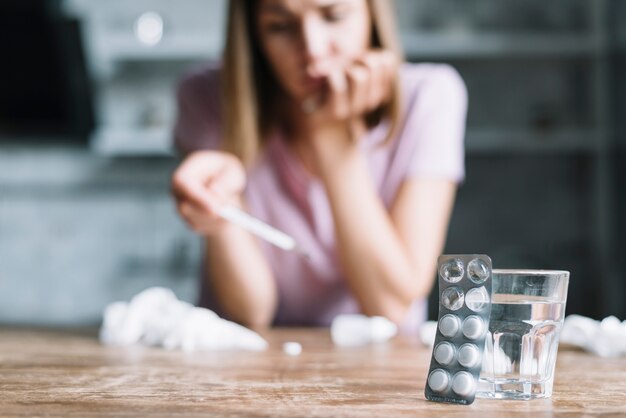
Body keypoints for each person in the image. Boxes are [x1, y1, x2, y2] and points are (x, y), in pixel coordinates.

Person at [171, 0, 467, 334]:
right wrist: (220, 210)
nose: (312, 49)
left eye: (334, 16)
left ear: (372, 13)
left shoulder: (430, 96)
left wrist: (330, 139)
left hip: (380, 370)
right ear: (253, 34)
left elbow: (390, 307)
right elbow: (249, 312)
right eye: (280, 26)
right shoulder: (207, 97)